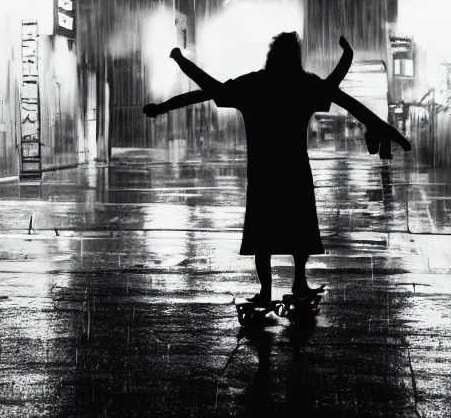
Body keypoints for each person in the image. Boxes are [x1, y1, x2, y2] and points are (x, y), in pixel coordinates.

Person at [143, 32, 411, 304]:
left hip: (263, 172)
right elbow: (334, 90)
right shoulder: (303, 85)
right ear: (296, 57)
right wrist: (347, 58)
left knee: (263, 233)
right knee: (300, 229)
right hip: (295, 170)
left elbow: (208, 90)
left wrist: (172, 82)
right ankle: (299, 284)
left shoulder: (255, 85)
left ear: (270, 56)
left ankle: (265, 291)